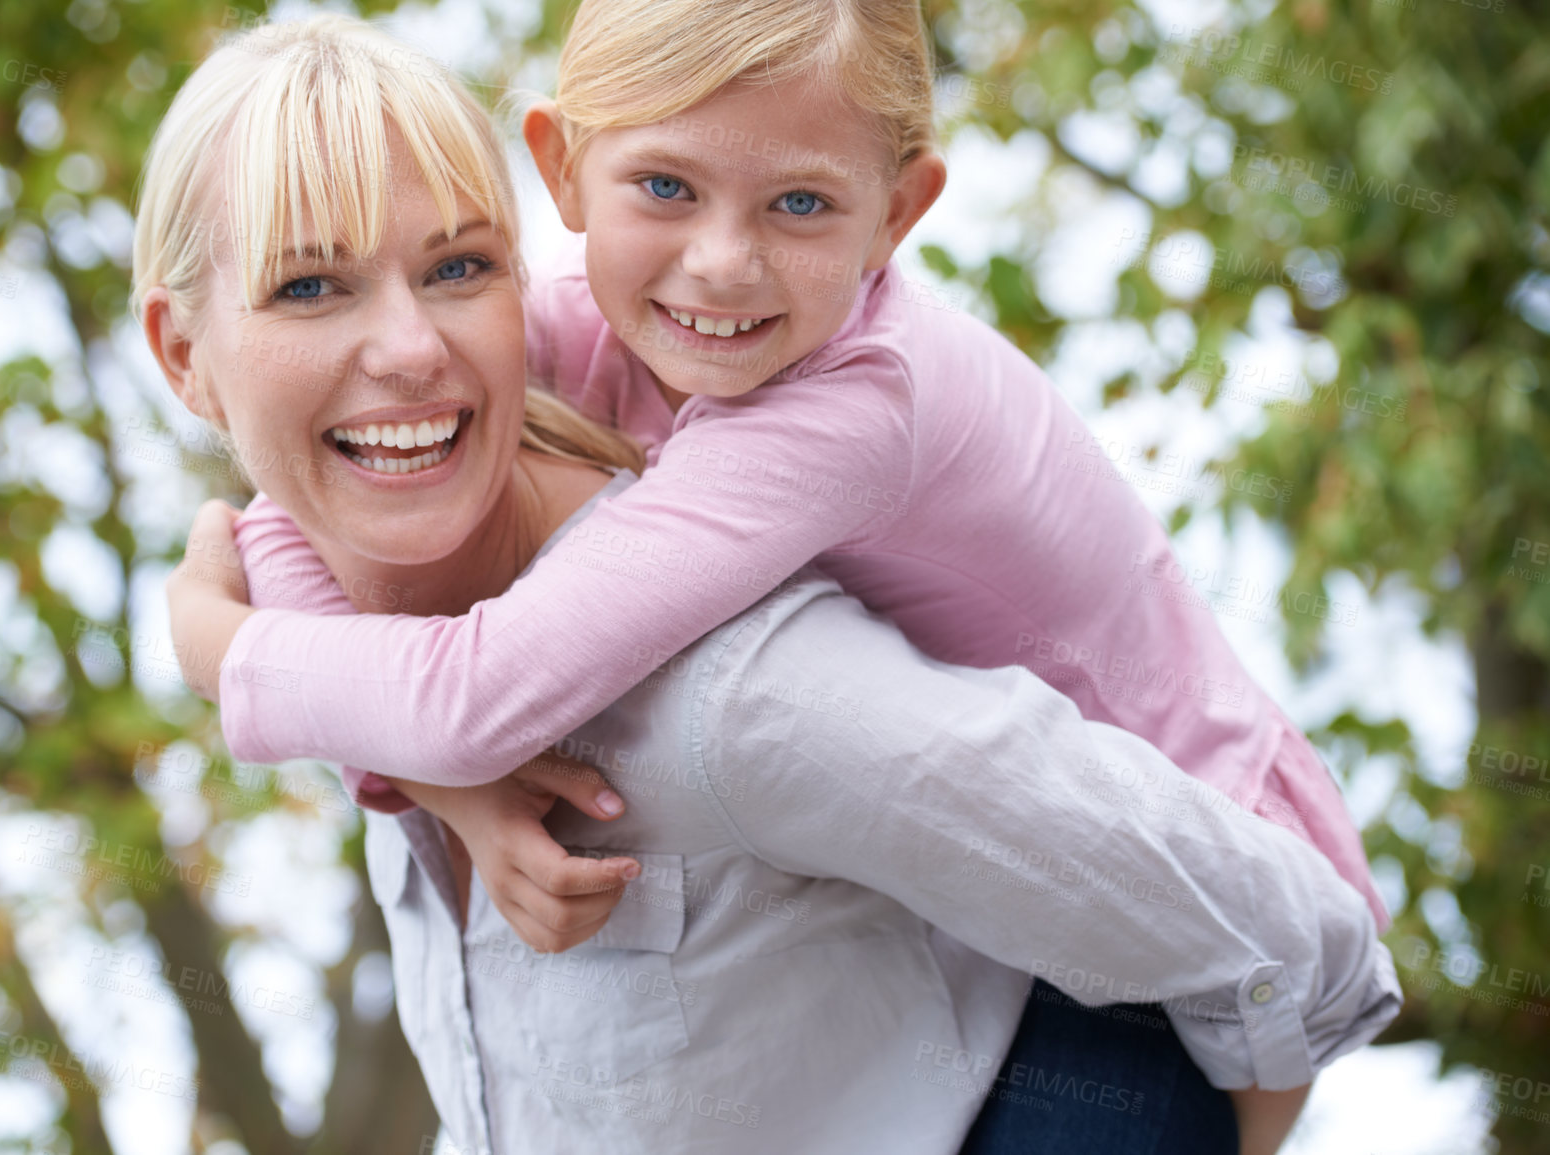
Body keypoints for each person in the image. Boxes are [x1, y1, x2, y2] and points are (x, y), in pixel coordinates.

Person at [141, 17, 1399, 1153]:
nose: (722, 264)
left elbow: (477, 699)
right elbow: (289, 512)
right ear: (566, 174)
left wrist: (218, 653)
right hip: (1049, 884)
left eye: (800, 203)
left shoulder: (839, 423)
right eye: (667, 185)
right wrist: (427, 781)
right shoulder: (577, 327)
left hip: (1197, 861)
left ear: (897, 215)